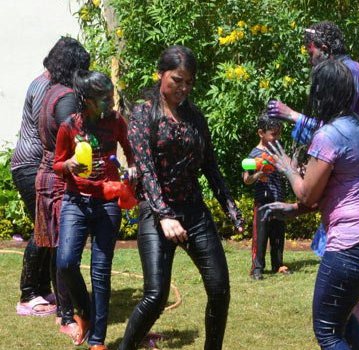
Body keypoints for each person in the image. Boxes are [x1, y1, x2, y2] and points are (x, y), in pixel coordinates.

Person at [262, 59, 359, 350]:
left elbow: (308, 194)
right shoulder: (358, 128)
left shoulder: (329, 135)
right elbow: (338, 190)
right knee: (343, 319)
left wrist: (287, 167)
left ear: (321, 94)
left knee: (326, 331)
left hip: (354, 243)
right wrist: (295, 210)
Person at [119, 45, 244, 350]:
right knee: (156, 294)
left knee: (219, 289)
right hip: (155, 211)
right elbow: (146, 169)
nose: (183, 88)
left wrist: (229, 204)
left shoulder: (195, 117)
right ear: (161, 74)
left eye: (189, 82)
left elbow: (210, 164)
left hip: (193, 211)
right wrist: (164, 215)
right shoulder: (142, 113)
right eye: (177, 79)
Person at [267, 20, 359, 208]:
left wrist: (292, 115)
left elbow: (339, 131)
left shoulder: (346, 74)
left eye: (312, 54)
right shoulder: (355, 69)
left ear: (325, 50)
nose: (311, 62)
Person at [53, 70, 136, 349]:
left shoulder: (115, 122)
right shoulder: (69, 126)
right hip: (75, 200)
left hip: (107, 201)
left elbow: (131, 151)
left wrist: (132, 171)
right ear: (86, 99)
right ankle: (85, 312)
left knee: (100, 271)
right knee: (65, 262)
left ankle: (97, 340)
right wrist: (68, 166)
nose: (110, 102)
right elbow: (57, 163)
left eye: (111, 96)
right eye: (103, 98)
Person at [36, 36, 89, 332]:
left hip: (48, 171)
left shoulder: (49, 91)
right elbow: (76, 139)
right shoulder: (67, 97)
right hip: (61, 176)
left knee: (60, 248)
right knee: (66, 250)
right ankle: (66, 315)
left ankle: (64, 309)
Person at [12, 46, 54, 317]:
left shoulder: (49, 85)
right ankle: (28, 294)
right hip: (30, 166)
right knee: (43, 227)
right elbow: (46, 129)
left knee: (51, 228)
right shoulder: (43, 87)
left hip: (39, 166)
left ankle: (42, 287)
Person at [243, 113, 289, 280]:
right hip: (263, 200)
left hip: (278, 198)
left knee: (278, 234)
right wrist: (259, 174)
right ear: (261, 133)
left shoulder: (278, 148)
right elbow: (247, 179)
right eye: (273, 134)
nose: (277, 137)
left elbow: (287, 167)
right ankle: (257, 268)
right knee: (261, 235)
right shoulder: (254, 154)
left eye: (279, 133)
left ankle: (278, 264)